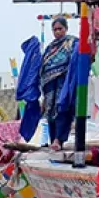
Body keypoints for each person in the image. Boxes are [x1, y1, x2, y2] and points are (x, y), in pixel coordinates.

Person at [40, 17, 78, 150]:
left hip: (65, 82)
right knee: (51, 112)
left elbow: (76, 61)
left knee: (62, 108)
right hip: (50, 85)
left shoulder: (72, 42)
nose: (57, 32)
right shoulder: (50, 48)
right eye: (55, 29)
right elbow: (43, 66)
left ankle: (59, 140)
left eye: (60, 29)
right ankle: (53, 140)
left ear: (66, 29)